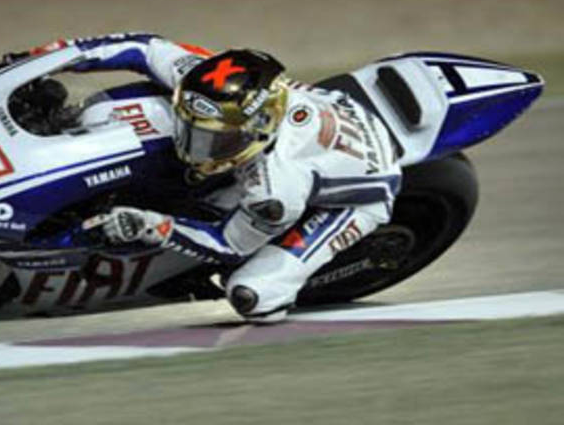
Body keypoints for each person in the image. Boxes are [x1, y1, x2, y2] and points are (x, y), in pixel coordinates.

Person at [27, 32, 401, 322]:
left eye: (216, 141)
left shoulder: (274, 189)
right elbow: (143, 47)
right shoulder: (204, 82)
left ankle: (286, 272)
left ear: (259, 129)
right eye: (193, 131)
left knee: (254, 297)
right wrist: (53, 57)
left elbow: (228, 244)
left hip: (364, 194)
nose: (196, 150)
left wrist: (154, 226)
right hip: (331, 117)